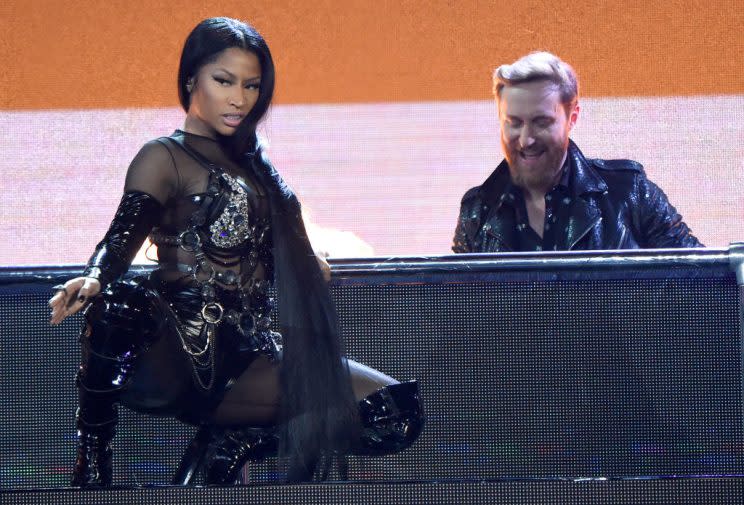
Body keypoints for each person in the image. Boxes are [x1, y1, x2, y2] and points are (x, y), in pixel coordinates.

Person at [49, 17, 423, 487]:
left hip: (255, 351)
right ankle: (92, 459)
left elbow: (275, 248)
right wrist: (95, 275)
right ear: (191, 80)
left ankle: (240, 442)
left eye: (251, 85)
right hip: (185, 353)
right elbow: (122, 235)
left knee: (396, 412)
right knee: (119, 299)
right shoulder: (163, 156)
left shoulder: (256, 162)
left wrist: (302, 263)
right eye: (223, 81)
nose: (239, 99)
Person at [452, 51, 701, 253]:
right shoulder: (476, 211)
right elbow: (456, 310)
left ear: (572, 118)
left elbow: (706, 286)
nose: (526, 140)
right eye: (514, 123)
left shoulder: (631, 192)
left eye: (541, 122)